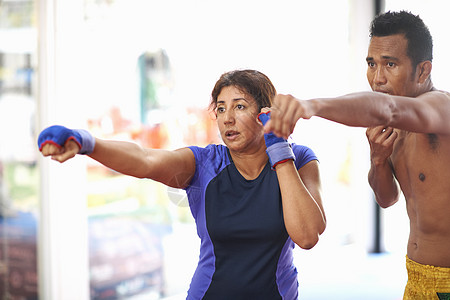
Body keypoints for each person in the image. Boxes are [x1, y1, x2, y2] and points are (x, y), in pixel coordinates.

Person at [38, 69, 326, 300]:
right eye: (221, 108)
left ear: (266, 113)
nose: (227, 118)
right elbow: (145, 159)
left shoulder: (298, 158)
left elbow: (307, 235)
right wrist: (86, 142)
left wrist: (278, 148)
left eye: (240, 106)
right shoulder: (204, 163)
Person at [265, 10, 450, 299]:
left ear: (423, 70)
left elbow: (386, 107)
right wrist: (378, 159)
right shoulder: (396, 126)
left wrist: (311, 106)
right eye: (371, 64)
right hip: (416, 275)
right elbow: (387, 199)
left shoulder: (440, 108)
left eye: (391, 64)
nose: (378, 78)